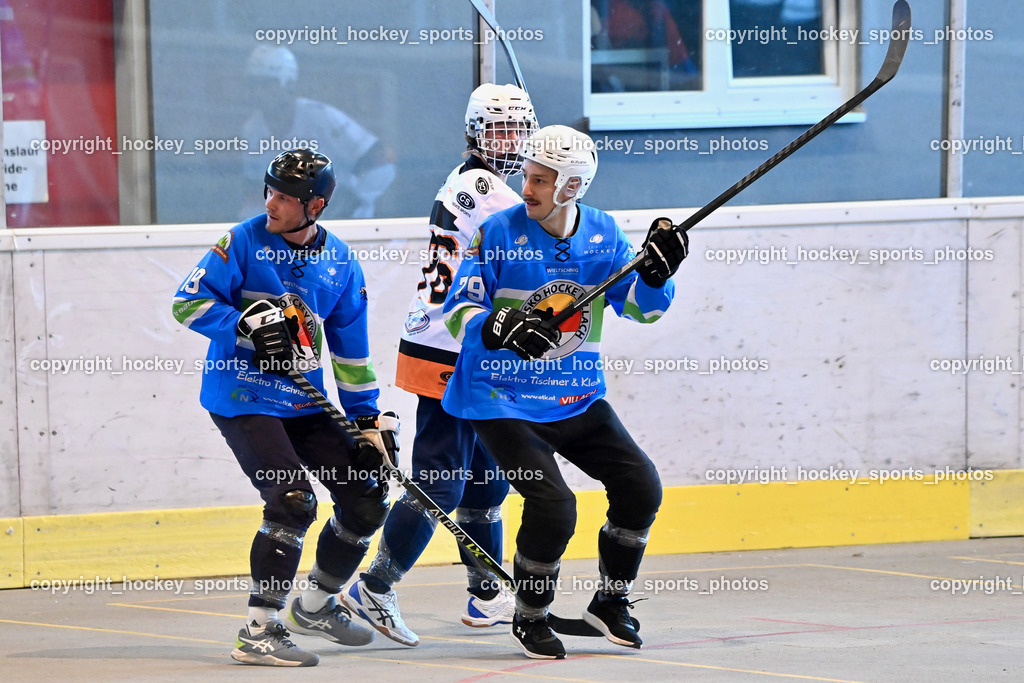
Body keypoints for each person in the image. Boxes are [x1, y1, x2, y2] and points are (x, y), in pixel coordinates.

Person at [440, 125, 688, 659]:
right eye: (526, 175)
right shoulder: (498, 232)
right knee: (554, 507)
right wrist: (500, 325)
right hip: (499, 397)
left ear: (571, 187)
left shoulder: (604, 234)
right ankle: (529, 616)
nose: (525, 188)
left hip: (576, 396)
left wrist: (659, 274)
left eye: (538, 180)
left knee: (641, 486)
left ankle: (611, 603)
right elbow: (457, 311)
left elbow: (644, 309)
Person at [172, 148, 399, 667]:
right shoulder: (242, 240)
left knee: (366, 501)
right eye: (269, 190)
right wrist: (242, 326)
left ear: (315, 205)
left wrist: (367, 421)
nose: (271, 202)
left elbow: (351, 349)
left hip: (303, 400)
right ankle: (259, 629)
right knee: (293, 500)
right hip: (242, 394)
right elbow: (187, 302)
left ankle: (316, 604)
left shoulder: (340, 259)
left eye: (285, 197)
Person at [342, 83, 539, 646]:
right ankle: (375, 587)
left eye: (520, 129)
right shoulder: (478, 185)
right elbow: (542, 228)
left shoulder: (497, 184)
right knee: (442, 480)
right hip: (447, 344)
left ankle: (486, 594)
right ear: (475, 134)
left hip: (482, 347)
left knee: (487, 481)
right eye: (500, 129)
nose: (511, 140)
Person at [239, 46, 395, 219]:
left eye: (267, 84)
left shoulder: (320, 117)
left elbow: (384, 158)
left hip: (348, 228)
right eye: (254, 84)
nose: (258, 93)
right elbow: (255, 192)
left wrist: (355, 198)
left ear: (288, 84)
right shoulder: (252, 130)